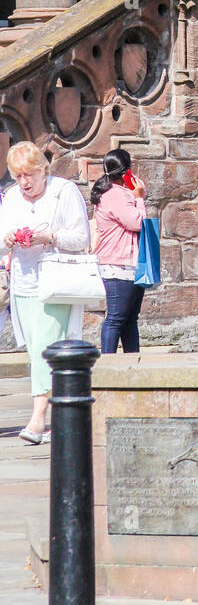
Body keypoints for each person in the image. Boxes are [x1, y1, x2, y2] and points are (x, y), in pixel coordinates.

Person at [1, 141, 90, 442]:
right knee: (36, 351)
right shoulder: (12, 197)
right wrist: (10, 239)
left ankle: (37, 420)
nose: (24, 182)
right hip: (24, 283)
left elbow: (81, 236)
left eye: (29, 175)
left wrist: (49, 236)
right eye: (18, 176)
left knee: (44, 349)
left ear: (43, 170)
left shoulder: (63, 191)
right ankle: (60, 417)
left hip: (55, 284)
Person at [91, 148, 148, 354]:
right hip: (118, 264)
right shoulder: (114, 194)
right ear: (126, 171)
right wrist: (139, 198)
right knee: (116, 318)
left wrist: (134, 192)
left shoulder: (119, 193)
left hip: (130, 264)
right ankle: (107, 367)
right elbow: (137, 222)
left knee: (130, 319)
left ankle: (132, 366)